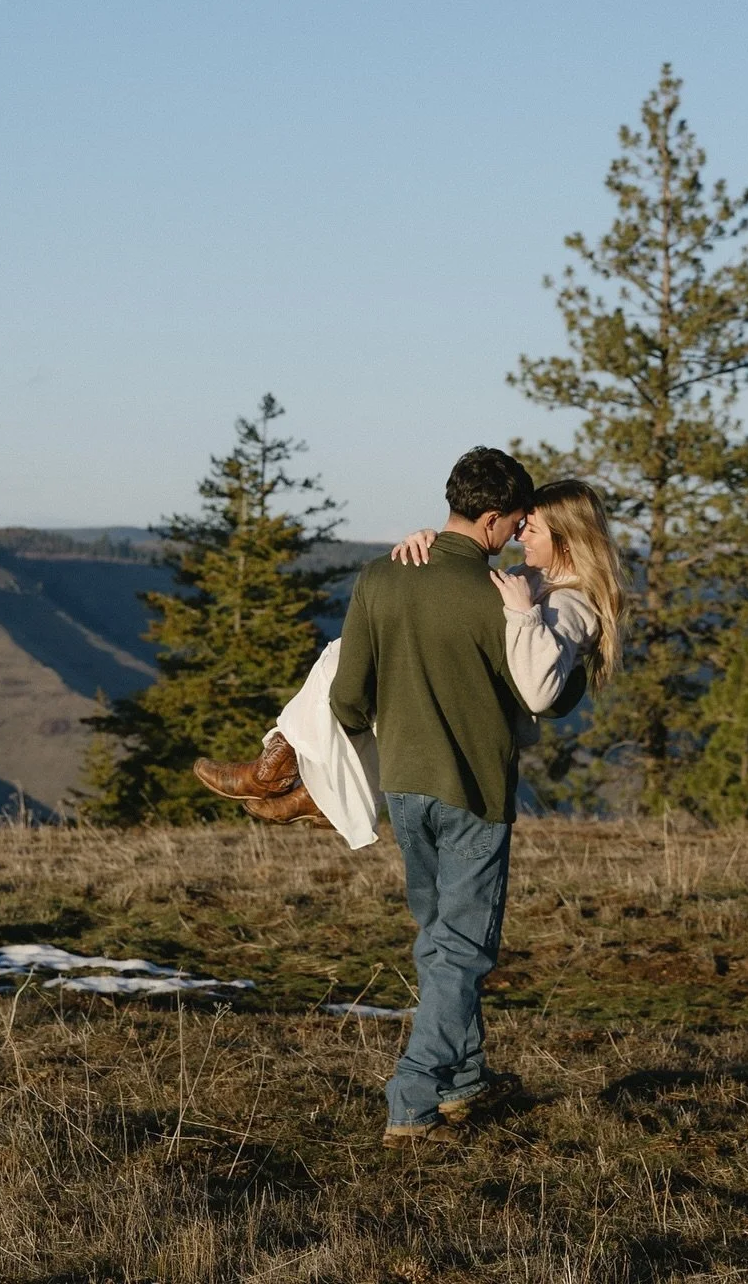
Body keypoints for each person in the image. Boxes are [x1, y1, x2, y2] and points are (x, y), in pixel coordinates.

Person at [190, 467, 626, 1148]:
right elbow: (472, 602)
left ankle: (457, 1079)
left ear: (564, 537)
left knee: (444, 940)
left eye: (532, 527)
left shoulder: (569, 605)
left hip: (426, 775)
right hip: (466, 784)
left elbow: (539, 689)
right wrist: (429, 555)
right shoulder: (532, 585)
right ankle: (419, 1095)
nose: (520, 534)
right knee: (453, 944)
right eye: (518, 523)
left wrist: (475, 592)